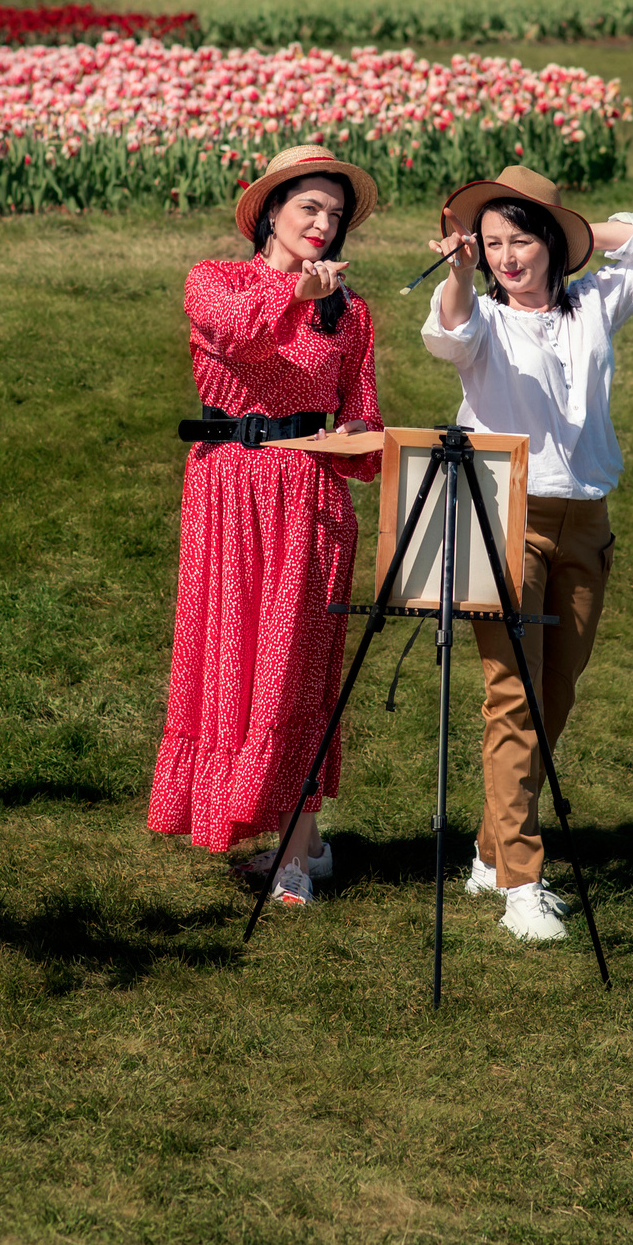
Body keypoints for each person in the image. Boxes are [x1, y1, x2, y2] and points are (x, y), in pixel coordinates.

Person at [421, 165, 633, 941]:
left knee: (556, 695)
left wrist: (571, 228)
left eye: (522, 240)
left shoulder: (595, 301)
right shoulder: (483, 317)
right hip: (500, 510)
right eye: (493, 243)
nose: (506, 257)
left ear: (551, 244)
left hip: (587, 521)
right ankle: (522, 883)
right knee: (514, 696)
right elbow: (447, 334)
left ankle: (490, 849)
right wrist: (460, 271)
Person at [148, 144, 385, 907]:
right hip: (226, 494)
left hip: (309, 498)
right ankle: (298, 842)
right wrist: (292, 291)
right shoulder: (214, 280)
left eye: (335, 215)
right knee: (230, 660)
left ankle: (295, 854)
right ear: (271, 212)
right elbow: (237, 336)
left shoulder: (351, 314)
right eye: (309, 208)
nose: (323, 224)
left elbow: (364, 415)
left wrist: (356, 439)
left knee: (294, 670)